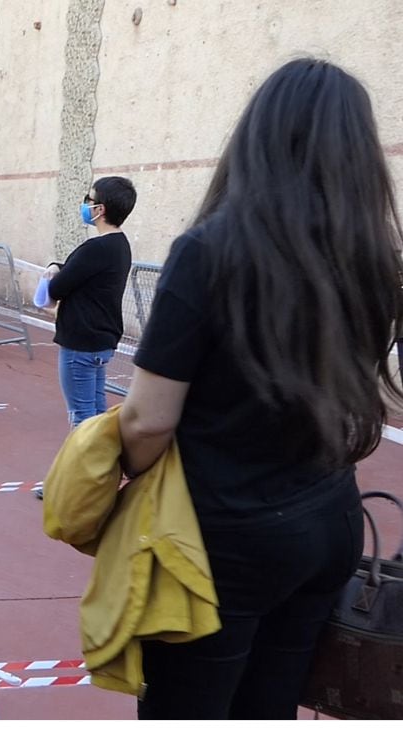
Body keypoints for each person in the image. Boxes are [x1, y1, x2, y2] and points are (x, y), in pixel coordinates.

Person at [118, 59, 403, 719]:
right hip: (329, 520)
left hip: (222, 540)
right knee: (268, 712)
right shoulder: (371, 259)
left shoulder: (209, 250)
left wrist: (108, 482)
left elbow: (147, 422)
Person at [46, 176, 136, 427]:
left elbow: (58, 287)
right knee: (97, 418)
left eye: (89, 200)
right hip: (100, 340)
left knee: (83, 420)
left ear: (100, 209)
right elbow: (84, 273)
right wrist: (60, 267)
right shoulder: (120, 245)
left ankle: (86, 466)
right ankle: (105, 465)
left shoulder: (95, 248)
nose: (85, 204)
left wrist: (54, 271)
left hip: (81, 343)